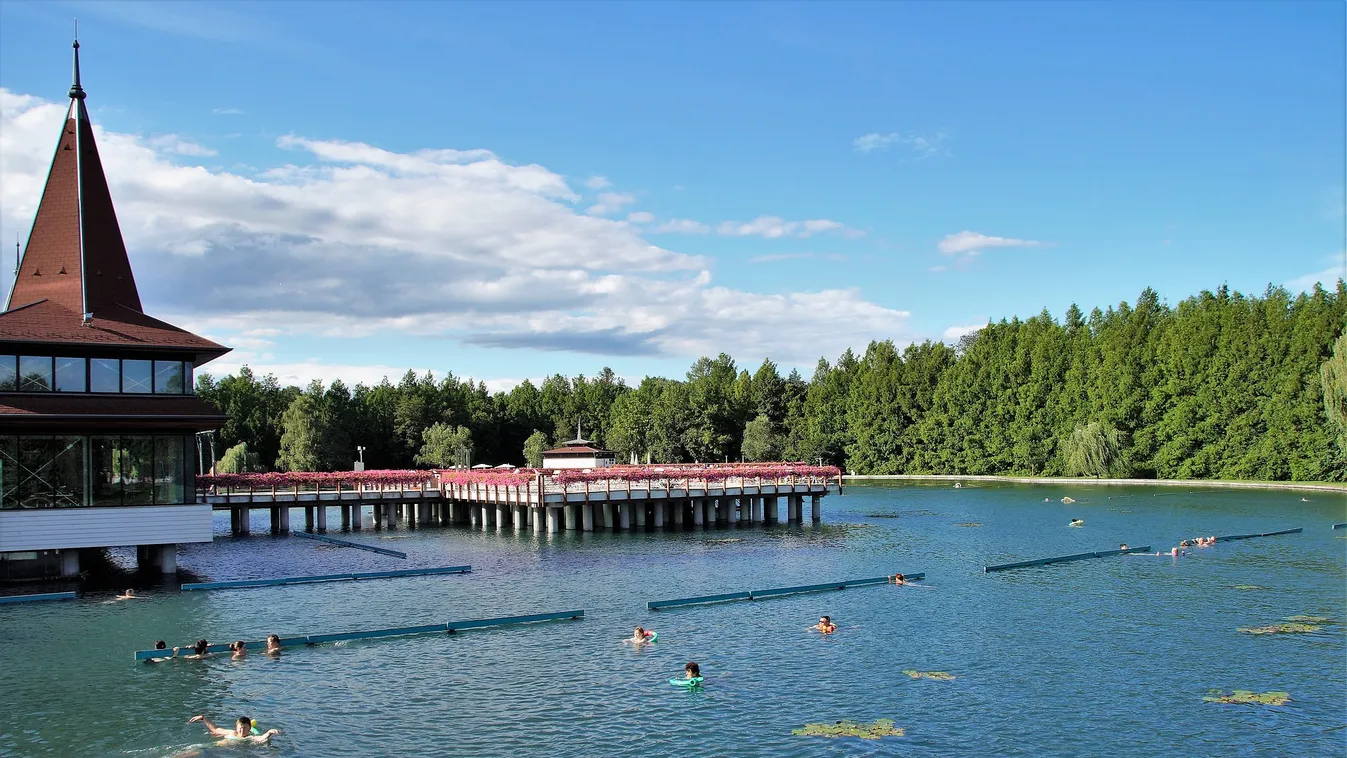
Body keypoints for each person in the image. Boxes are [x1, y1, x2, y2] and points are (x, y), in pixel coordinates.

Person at [187, 715, 278, 744]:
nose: (242, 731)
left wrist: (269, 732)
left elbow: (261, 738)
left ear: (250, 728)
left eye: (245, 728)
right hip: (213, 747)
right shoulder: (231, 732)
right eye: (240, 728)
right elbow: (215, 730)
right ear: (236, 728)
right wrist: (203, 718)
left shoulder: (250, 738)